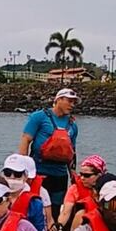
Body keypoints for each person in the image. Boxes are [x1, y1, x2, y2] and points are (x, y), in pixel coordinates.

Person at [18, 87, 79, 215]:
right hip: (39, 171)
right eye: (69, 101)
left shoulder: (72, 125)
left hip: (60, 174)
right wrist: (22, 168)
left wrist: (73, 173)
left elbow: (72, 151)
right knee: (37, 206)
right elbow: (26, 139)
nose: (72, 105)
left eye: (74, 102)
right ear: (59, 100)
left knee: (56, 207)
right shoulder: (39, 117)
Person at [55, 155, 107, 231]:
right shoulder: (74, 189)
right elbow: (65, 212)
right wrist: (59, 226)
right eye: (81, 174)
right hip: (79, 227)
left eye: (87, 175)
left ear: (99, 175)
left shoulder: (107, 190)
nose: (82, 178)